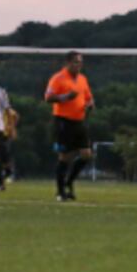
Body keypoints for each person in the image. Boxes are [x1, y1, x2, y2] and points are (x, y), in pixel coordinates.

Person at [45, 51, 95, 201]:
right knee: (65, 157)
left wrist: (90, 105)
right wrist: (65, 97)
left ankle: (69, 181)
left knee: (86, 154)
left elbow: (89, 98)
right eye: (75, 62)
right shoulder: (58, 78)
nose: (78, 65)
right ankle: (60, 192)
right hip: (63, 121)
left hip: (79, 121)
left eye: (80, 62)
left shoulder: (82, 79)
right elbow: (48, 97)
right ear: (67, 63)